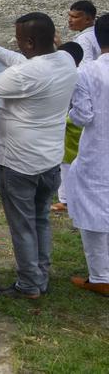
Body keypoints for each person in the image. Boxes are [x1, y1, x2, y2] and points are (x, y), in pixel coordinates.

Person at [0, 14, 78, 300]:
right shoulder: (65, 61)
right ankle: (39, 275)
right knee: (40, 219)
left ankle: (29, 284)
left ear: (30, 42)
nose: (18, 46)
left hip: (19, 163)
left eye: (20, 41)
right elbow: (24, 64)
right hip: (49, 161)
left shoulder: (27, 75)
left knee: (22, 225)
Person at [64, 15, 109, 296]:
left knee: (95, 210)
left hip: (97, 150)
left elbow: (82, 117)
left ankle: (101, 276)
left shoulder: (88, 72)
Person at [52, 42, 84, 212]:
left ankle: (65, 200)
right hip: (81, 128)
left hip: (71, 126)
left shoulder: (70, 77)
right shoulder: (84, 73)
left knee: (66, 163)